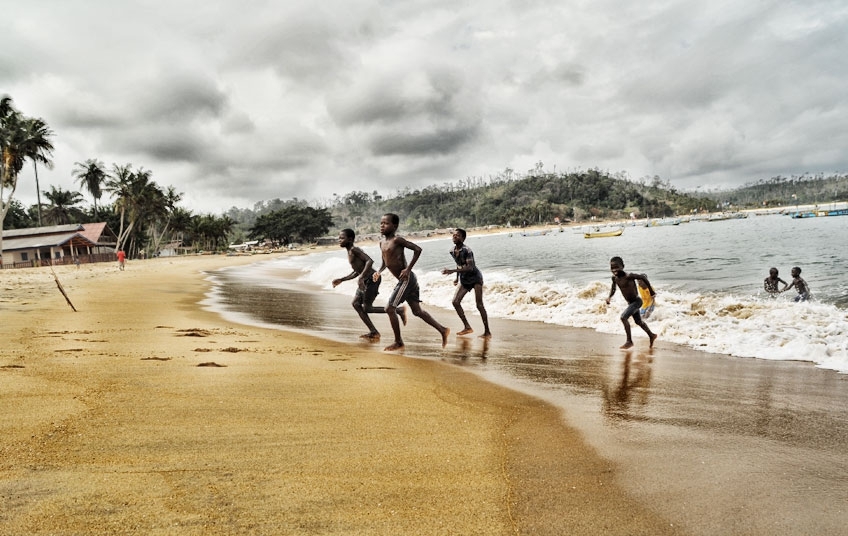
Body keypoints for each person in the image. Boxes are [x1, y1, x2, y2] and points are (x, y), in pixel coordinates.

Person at [373, 213, 449, 351]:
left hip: (407, 280)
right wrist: (379, 271)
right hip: (406, 281)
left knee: (389, 308)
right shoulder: (381, 243)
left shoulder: (397, 240)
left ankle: (398, 342)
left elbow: (418, 250)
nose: (382, 226)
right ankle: (443, 330)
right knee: (417, 311)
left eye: (386, 223)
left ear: (394, 226)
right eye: (381, 223)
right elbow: (385, 262)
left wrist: (408, 269)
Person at [331, 228, 403, 342]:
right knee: (356, 304)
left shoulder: (354, 250)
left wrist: (361, 277)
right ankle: (373, 332)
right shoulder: (349, 252)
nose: (339, 240)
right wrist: (342, 279)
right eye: (339, 238)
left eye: (342, 238)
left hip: (372, 279)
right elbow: (357, 271)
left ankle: (398, 311)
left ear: (350, 239)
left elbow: (369, 261)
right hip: (365, 280)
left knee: (367, 308)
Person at [441, 228, 491, 338]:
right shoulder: (452, 251)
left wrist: (452, 271)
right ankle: (467, 327)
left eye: (457, 235)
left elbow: (470, 267)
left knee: (479, 304)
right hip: (464, 278)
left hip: (475, 278)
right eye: (453, 235)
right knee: (455, 302)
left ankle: (487, 331)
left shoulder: (467, 250)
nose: (454, 237)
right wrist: (456, 278)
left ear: (463, 238)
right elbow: (459, 264)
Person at [605, 256, 657, 349]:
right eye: (612, 268)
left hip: (637, 301)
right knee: (638, 321)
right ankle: (651, 335)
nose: (614, 270)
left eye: (617, 267)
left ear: (623, 266)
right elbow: (613, 288)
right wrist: (609, 297)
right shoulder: (614, 278)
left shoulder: (629, 276)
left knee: (623, 317)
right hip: (630, 303)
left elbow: (642, 277)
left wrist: (651, 291)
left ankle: (629, 341)